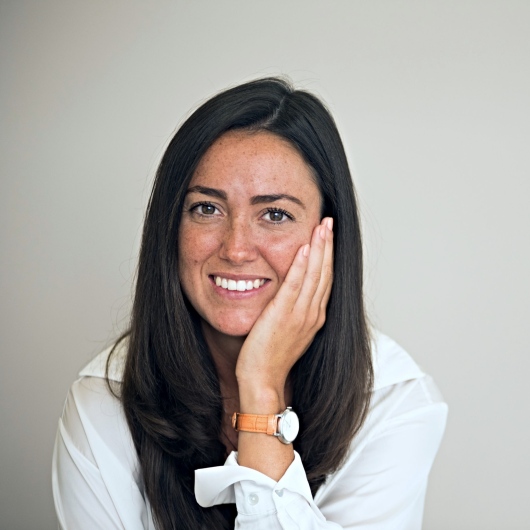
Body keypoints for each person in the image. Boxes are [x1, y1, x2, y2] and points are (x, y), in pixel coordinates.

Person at [52, 77, 447, 529]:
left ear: (329, 236)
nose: (236, 249)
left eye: (275, 214)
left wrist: (261, 392)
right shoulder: (103, 401)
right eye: (207, 208)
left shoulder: (393, 401)